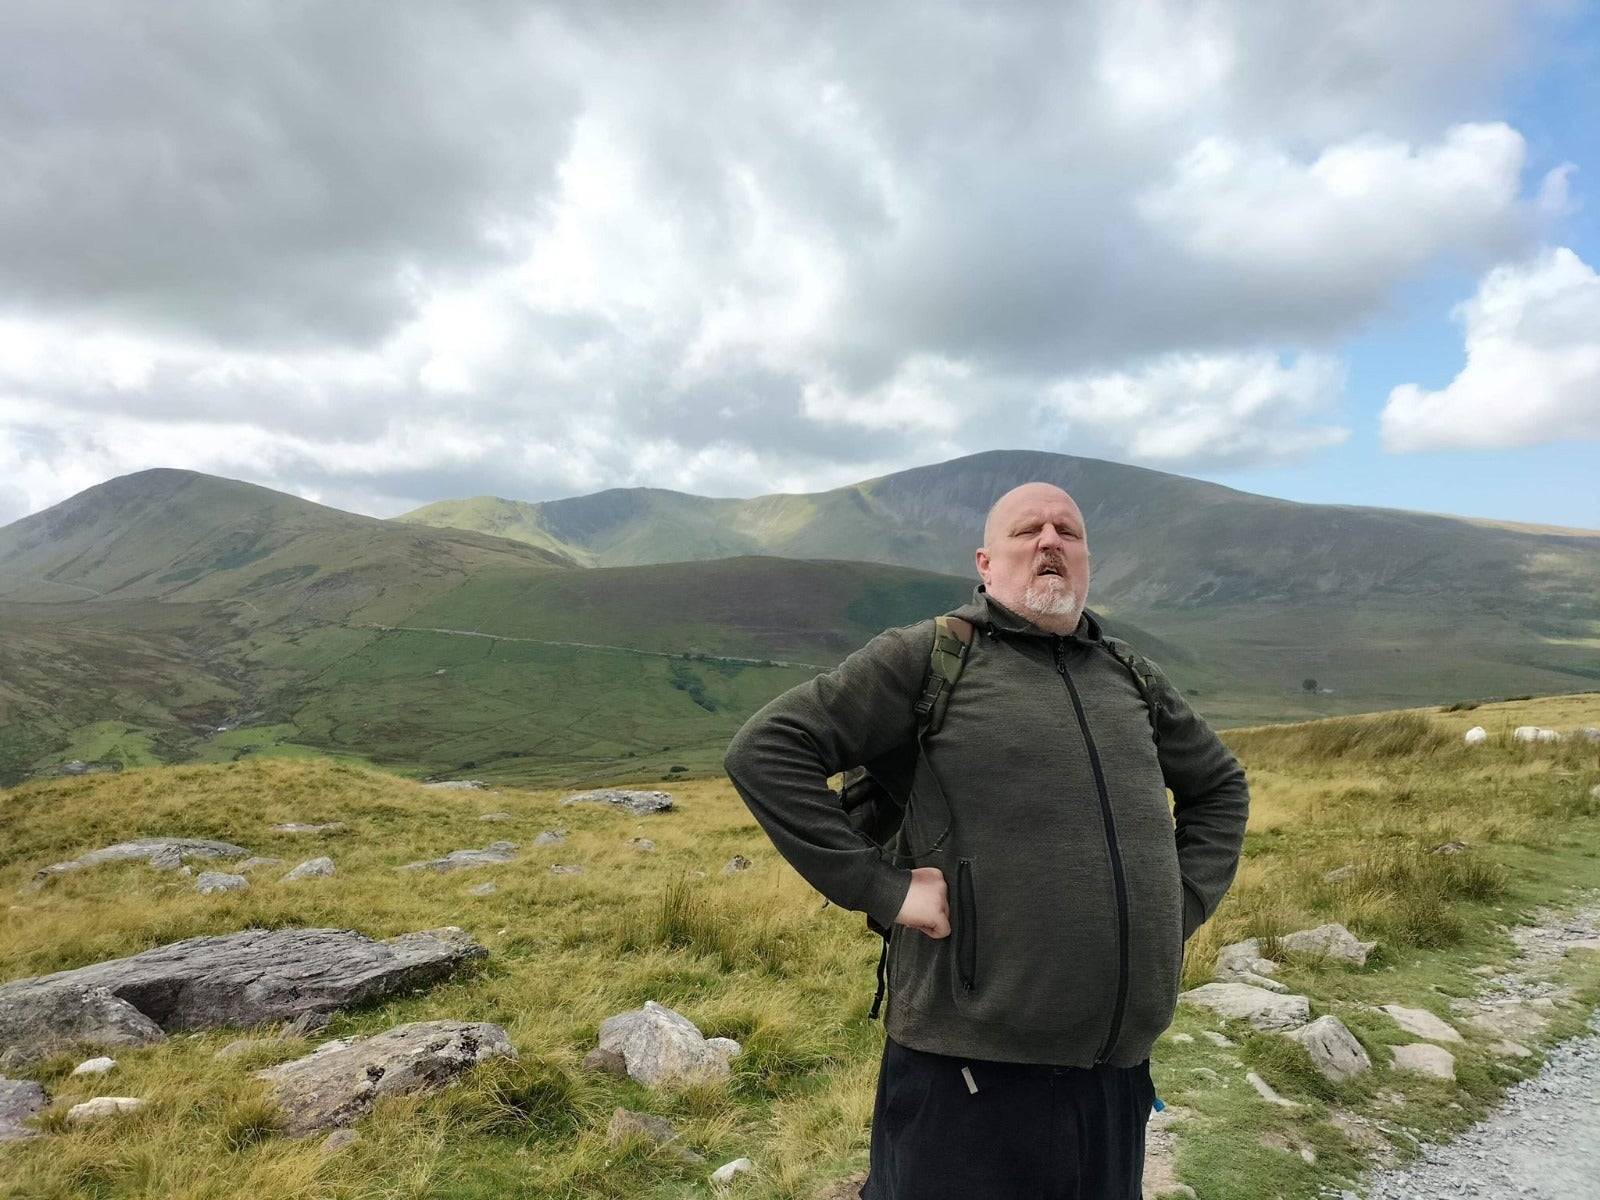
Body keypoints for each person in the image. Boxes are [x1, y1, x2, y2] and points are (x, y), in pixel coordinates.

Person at [723, 481, 1250, 1200]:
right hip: (963, 1074)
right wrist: (885, 889)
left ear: (1087, 559)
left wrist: (1173, 905)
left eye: (1068, 530)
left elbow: (1219, 786)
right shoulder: (931, 657)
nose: (1050, 542)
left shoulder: (1130, 674)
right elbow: (767, 749)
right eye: (1028, 530)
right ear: (985, 562)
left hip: (1113, 1077)